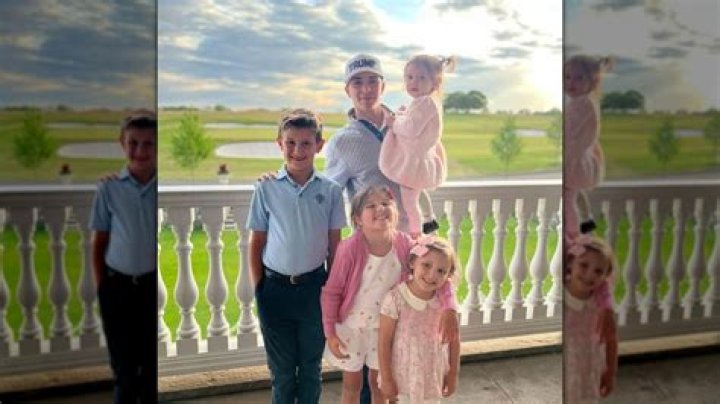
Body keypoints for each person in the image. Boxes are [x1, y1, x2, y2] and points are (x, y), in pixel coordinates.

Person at [320, 186, 457, 403]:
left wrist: (450, 307)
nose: (380, 209)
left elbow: (440, 273)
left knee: (380, 384)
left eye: (386, 203)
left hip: (386, 330)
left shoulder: (406, 245)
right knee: (352, 385)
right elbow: (332, 292)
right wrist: (330, 332)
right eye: (371, 205)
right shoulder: (349, 249)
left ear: (396, 212)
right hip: (352, 328)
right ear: (357, 219)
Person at [247, 108, 347, 403]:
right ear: (280, 144)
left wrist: (333, 291)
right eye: (290, 143)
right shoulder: (266, 188)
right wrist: (260, 288)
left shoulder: (331, 191)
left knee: (310, 368)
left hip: (314, 289)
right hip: (275, 291)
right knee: (282, 372)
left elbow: (335, 246)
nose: (298, 150)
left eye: (306, 143)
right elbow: (257, 242)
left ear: (319, 145)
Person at [325, 53, 440, 236]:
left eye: (373, 81)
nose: (366, 89)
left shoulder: (408, 124)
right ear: (347, 90)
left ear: (383, 86)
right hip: (371, 245)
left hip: (415, 239)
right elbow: (328, 198)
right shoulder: (340, 142)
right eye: (357, 83)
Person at [90, 112, 157, 403]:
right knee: (124, 369)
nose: (140, 151)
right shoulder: (109, 188)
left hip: (150, 288)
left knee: (151, 368)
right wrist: (103, 288)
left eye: (148, 143)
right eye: (133, 143)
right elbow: (99, 243)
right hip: (117, 288)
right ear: (122, 144)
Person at [378, 55, 456, 237]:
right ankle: (428, 219)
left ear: (434, 83)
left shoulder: (425, 102)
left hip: (413, 163)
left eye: (421, 78)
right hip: (420, 161)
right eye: (410, 77)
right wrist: (403, 114)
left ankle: (416, 235)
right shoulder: (427, 102)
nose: (414, 82)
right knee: (416, 191)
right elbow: (416, 121)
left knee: (410, 204)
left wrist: (394, 122)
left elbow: (411, 128)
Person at [378, 236, 460, 403]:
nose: (432, 275)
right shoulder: (395, 299)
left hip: (432, 376)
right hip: (403, 377)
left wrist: (453, 374)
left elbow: (454, 341)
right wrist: (386, 378)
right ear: (412, 263)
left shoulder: (446, 306)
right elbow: (384, 342)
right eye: (426, 265)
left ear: (448, 276)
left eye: (441, 271)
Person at [563, 55, 613, 238]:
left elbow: (571, 133)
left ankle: (573, 233)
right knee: (575, 193)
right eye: (567, 77)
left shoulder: (582, 104)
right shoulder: (584, 102)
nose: (571, 82)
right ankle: (587, 224)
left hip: (574, 159)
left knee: (568, 197)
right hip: (580, 158)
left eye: (579, 78)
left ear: (592, 82)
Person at [564, 234, 618, 403]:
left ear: (605, 276)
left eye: (598, 271)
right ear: (571, 263)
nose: (589, 274)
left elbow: (611, 340)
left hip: (588, 372)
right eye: (584, 265)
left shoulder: (600, 307)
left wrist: (610, 373)